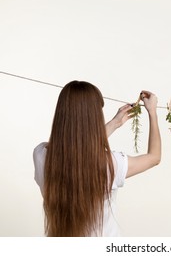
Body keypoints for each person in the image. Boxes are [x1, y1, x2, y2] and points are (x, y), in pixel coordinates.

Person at [33, 81, 161, 236]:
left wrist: (114, 123)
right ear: (94, 118)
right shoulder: (109, 165)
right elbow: (154, 157)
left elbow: (74, 148)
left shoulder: (41, 155)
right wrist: (152, 112)